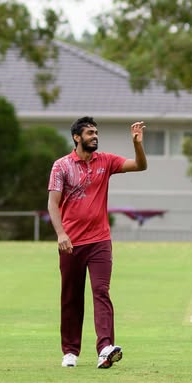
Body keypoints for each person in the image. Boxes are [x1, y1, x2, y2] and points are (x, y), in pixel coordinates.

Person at [47, 116, 147, 369]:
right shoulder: (61, 166)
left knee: (101, 292)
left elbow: (140, 166)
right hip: (71, 243)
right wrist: (61, 234)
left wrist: (137, 144)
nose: (95, 136)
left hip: (100, 240)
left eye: (96, 132)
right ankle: (70, 351)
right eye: (90, 132)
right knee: (71, 297)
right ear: (76, 137)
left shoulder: (106, 161)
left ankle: (105, 348)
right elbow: (53, 203)